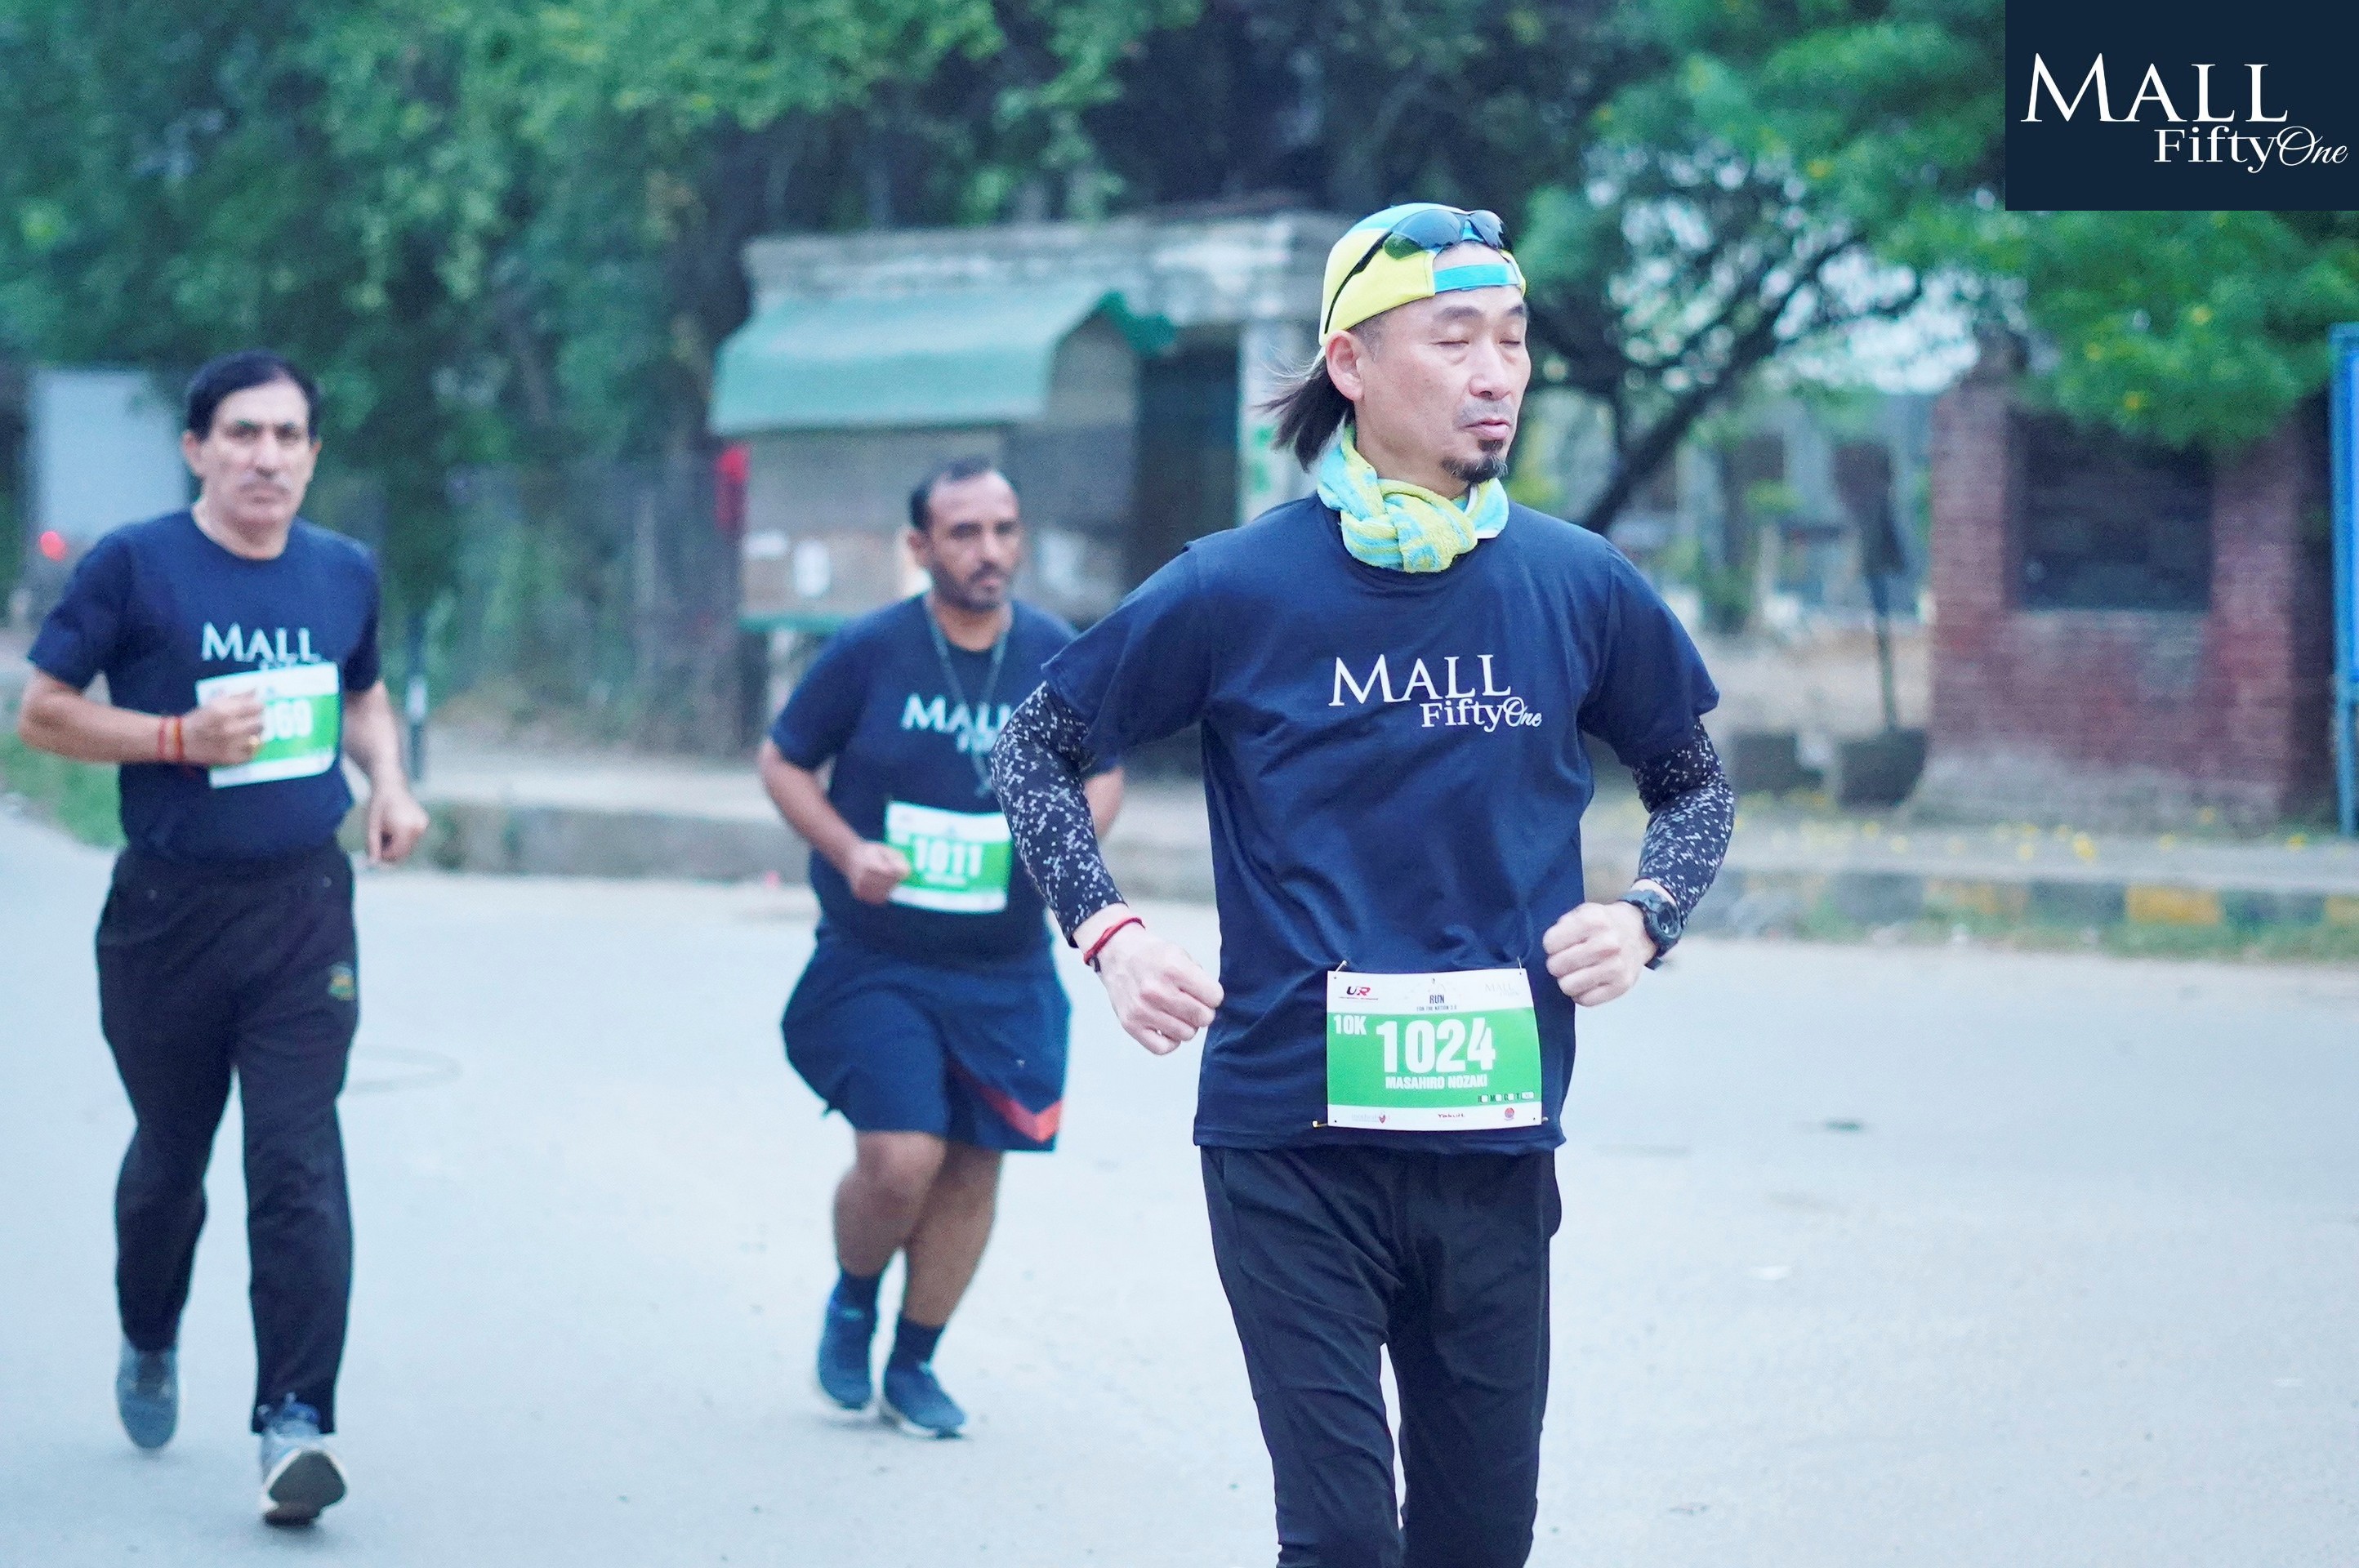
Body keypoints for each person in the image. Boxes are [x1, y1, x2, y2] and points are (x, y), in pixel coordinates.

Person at [990, 204, 1734, 1566]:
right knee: (1340, 1538)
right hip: (1289, 1143)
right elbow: (1033, 748)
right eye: (1455, 339)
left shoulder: (1577, 584)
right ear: (1351, 363)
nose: (1496, 373)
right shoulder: (1237, 586)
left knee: (1476, 1545)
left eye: (1512, 339)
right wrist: (1109, 934)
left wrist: (1647, 916)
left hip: (1495, 1143)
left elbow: (1695, 786)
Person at [16, 350, 430, 1526]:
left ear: (313, 455)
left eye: (289, 436)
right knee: (170, 1160)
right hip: (168, 916)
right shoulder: (136, 564)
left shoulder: (342, 571)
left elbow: (363, 692)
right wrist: (173, 740)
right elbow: (42, 712)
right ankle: (149, 1331)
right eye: (243, 433)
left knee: (296, 1159)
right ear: (196, 448)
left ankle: (295, 1421)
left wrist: (391, 783)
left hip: (304, 910)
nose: (266, 457)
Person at [756, 457, 1123, 1438]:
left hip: (1004, 970)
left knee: (972, 1166)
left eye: (1002, 529)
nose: (988, 551)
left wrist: (1063, 851)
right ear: (920, 547)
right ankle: (852, 1301)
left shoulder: (1052, 654)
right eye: (963, 533)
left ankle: (914, 1361)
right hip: (877, 960)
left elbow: (1103, 774)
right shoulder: (870, 650)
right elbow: (783, 760)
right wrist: (846, 849)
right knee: (900, 1156)